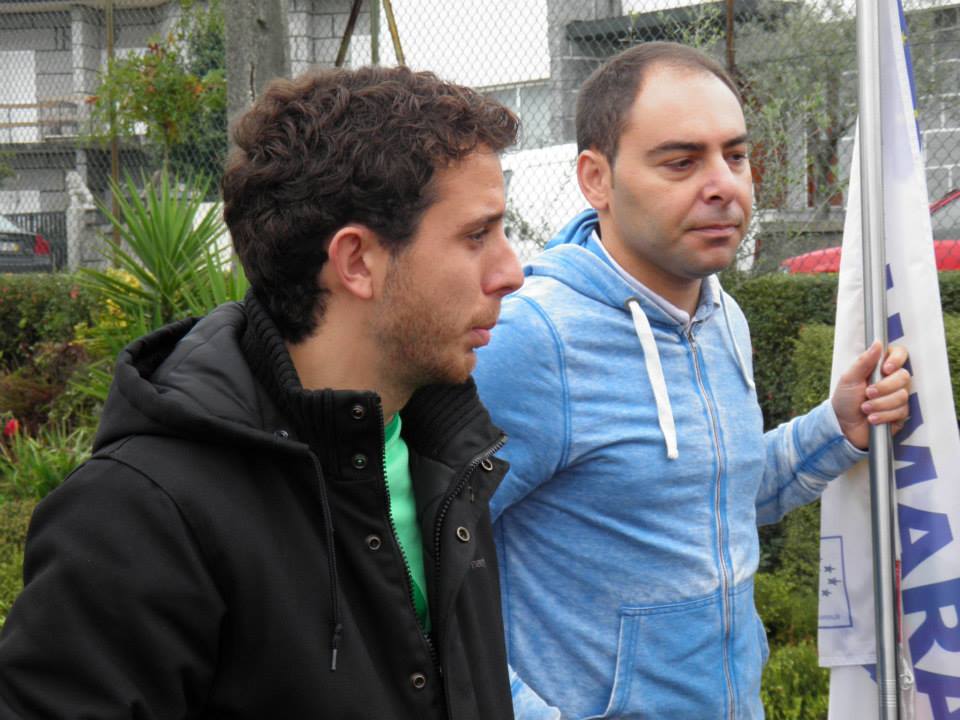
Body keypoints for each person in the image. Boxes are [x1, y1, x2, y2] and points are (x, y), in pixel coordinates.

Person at [0, 66, 523, 719]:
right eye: (476, 235)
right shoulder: (140, 516)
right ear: (356, 261)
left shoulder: (445, 454)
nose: (512, 271)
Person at [473, 42, 911, 720]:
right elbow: (419, 562)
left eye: (735, 156)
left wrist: (837, 428)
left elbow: (714, 497)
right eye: (681, 161)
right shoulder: (530, 340)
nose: (724, 185)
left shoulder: (722, 316)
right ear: (596, 179)